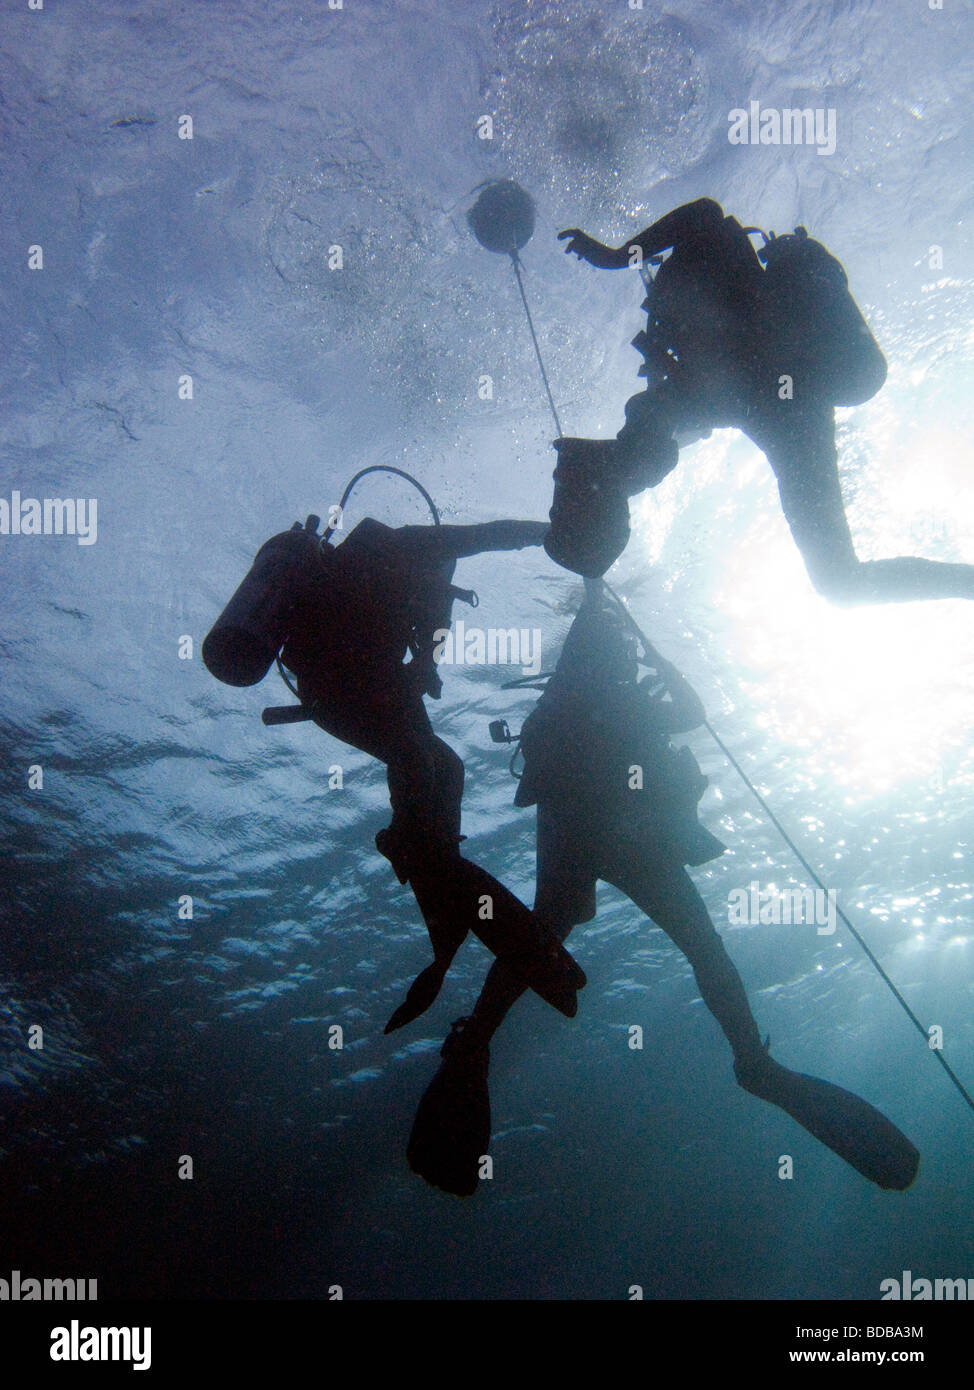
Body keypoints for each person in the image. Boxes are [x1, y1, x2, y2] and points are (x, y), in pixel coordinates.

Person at [407, 580, 920, 1196]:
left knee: (540, 939)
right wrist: (651, 654)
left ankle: (476, 1041)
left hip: (581, 831)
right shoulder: (616, 693)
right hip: (633, 838)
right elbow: (690, 712)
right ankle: (753, 1062)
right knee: (694, 946)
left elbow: (633, 717)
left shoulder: (578, 695)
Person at [546, 197, 974, 603]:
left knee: (839, 582)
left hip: (781, 386)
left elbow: (703, 212)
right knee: (839, 583)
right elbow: (674, 410)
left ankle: (597, 476)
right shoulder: (682, 295)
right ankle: (596, 481)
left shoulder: (714, 255)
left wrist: (618, 255)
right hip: (765, 403)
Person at [276, 513, 586, 1030]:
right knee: (420, 763)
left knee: (447, 767)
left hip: (367, 688)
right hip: (334, 686)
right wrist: (553, 534)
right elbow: (487, 534)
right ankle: (425, 863)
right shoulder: (409, 546)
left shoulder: (427, 587)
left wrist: (426, 666)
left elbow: (425, 658)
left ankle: (422, 860)